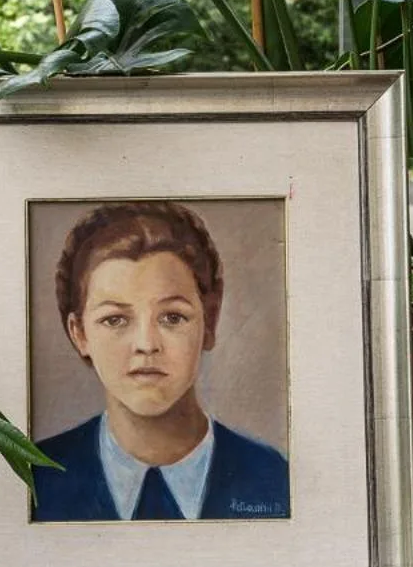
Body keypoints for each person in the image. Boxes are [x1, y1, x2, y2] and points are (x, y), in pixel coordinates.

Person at [32, 200, 289, 522]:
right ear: (79, 333)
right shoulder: (36, 478)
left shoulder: (275, 478)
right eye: (114, 320)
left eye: (172, 317)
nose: (146, 345)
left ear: (209, 323)